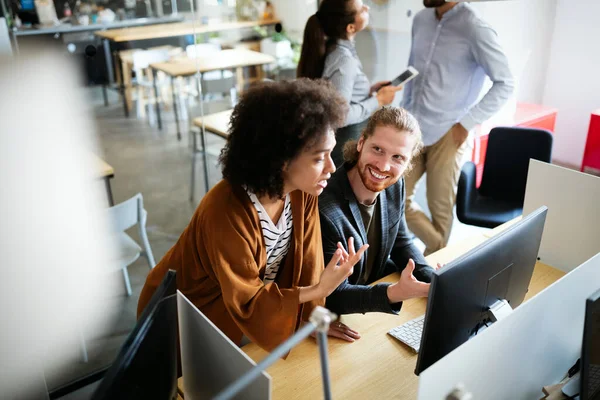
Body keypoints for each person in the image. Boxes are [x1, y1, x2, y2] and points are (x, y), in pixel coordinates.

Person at [137, 79, 368, 352]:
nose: (331, 167)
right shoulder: (224, 210)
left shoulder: (302, 192)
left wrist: (312, 318)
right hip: (183, 314)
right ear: (281, 159)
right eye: (319, 158)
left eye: (330, 154)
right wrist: (319, 291)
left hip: (232, 312)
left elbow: (308, 264)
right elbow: (248, 300)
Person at [401, 0, 515, 255]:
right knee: (394, 195)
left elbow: (505, 83)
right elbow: (412, 71)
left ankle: (431, 271)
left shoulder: (474, 27)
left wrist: (467, 122)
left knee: (439, 208)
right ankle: (441, 253)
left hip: (449, 132)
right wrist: (403, 111)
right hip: (413, 126)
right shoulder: (420, 20)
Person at [319, 107, 439, 334]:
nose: (383, 166)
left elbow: (401, 242)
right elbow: (332, 294)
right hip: (338, 315)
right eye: (378, 149)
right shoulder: (326, 208)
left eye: (397, 157)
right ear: (361, 143)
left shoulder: (395, 185)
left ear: (408, 162)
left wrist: (435, 282)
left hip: (370, 305)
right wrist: (395, 292)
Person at [297, 0, 402, 166]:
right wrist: (378, 101)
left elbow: (337, 93)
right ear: (350, 28)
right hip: (344, 143)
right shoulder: (344, 60)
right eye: (361, 9)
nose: (367, 7)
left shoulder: (335, 50)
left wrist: (368, 90)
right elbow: (340, 115)